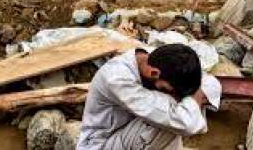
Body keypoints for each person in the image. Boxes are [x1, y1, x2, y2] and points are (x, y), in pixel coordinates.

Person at [77, 44, 220, 150]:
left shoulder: (156, 60)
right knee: (169, 121)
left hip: (127, 133)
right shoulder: (117, 79)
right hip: (101, 143)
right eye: (167, 88)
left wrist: (194, 95)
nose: (172, 94)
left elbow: (212, 82)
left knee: (176, 112)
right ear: (153, 73)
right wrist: (194, 98)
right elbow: (186, 124)